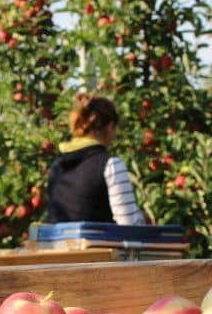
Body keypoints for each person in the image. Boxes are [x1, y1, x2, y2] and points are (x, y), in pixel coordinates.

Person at [47, 94, 146, 225]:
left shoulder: (57, 165)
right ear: (110, 126)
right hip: (97, 244)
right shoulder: (110, 164)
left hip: (59, 245)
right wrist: (143, 219)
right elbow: (128, 224)